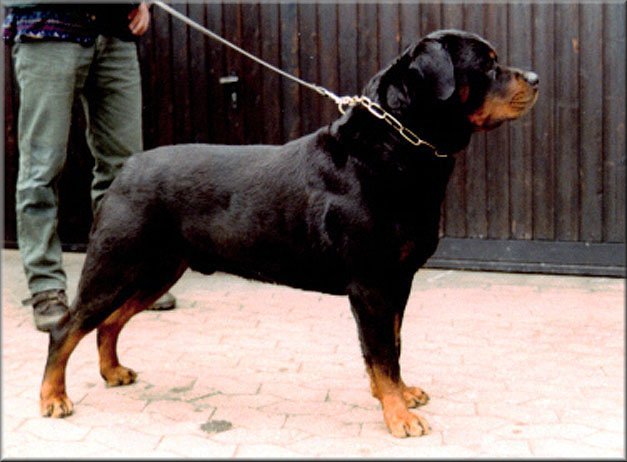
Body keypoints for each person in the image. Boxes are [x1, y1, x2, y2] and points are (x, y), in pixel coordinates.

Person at [4, 2, 176, 332]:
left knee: (126, 172)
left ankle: (123, 280)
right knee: (42, 167)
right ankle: (46, 287)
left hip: (114, 35)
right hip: (48, 29)